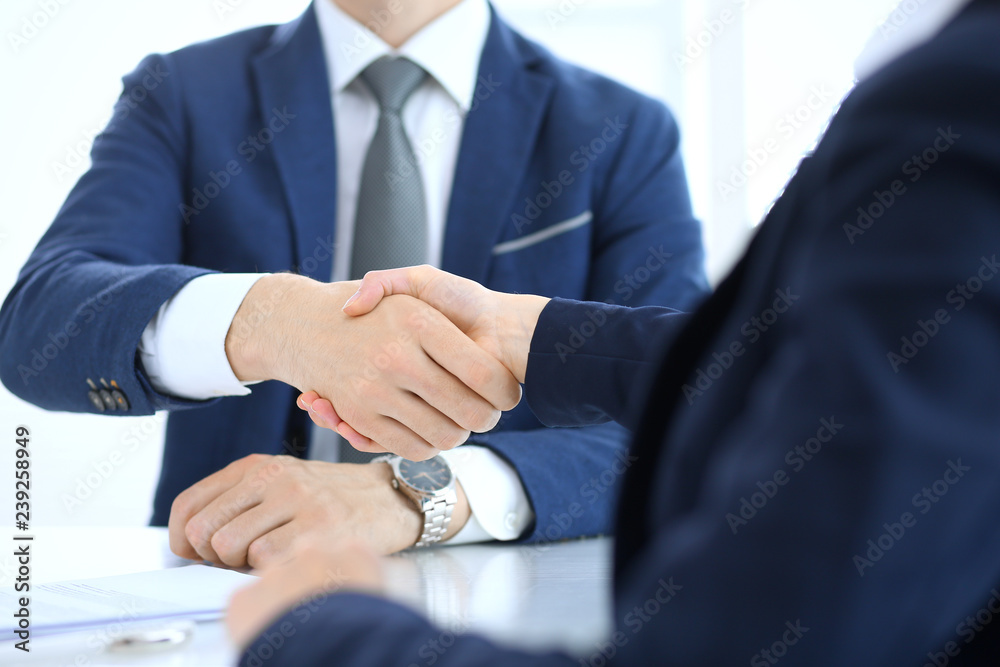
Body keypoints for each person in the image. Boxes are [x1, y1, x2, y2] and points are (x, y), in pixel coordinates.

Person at [225, 0, 1000, 664]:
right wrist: (543, 338)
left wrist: (329, 635)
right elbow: (802, 366)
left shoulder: (959, 94)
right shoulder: (189, 89)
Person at [0, 0, 708, 563]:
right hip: (227, 586)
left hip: (511, 595)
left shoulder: (620, 130)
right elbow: (38, 327)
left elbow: (692, 406)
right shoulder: (184, 96)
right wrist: (274, 321)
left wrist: (414, 496)